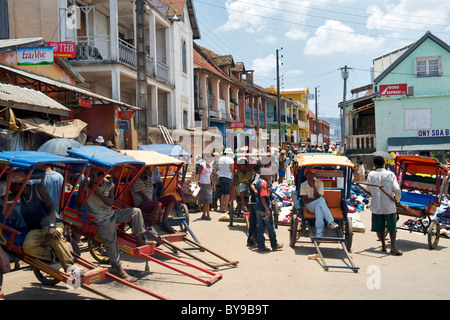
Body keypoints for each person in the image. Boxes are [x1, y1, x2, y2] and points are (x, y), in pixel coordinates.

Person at [78, 168, 153, 282]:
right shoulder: (87, 186)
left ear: (101, 176)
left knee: (136, 212)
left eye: (93, 176)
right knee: (111, 241)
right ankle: (119, 269)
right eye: (90, 176)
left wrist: (97, 191)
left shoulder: (109, 185)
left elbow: (110, 202)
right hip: (99, 218)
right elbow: (79, 203)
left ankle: (139, 239)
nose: (91, 179)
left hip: (111, 213)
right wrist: (82, 189)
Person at [9, 177, 82, 275]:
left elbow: (51, 208)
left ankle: (69, 266)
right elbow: (5, 198)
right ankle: (52, 256)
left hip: (54, 223)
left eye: (11, 186)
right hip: (37, 229)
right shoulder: (19, 194)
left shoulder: (38, 188)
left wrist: (52, 226)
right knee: (28, 247)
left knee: (55, 236)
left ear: (18, 185)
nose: (9, 189)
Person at [366, 156, 402, 256]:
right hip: (389, 206)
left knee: (379, 227)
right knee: (392, 228)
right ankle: (393, 247)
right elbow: (397, 190)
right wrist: (397, 200)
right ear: (384, 164)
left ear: (375, 164)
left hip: (376, 206)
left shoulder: (371, 174)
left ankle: (383, 246)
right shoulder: (390, 174)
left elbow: (368, 189)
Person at [131, 166, 176, 233]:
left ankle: (164, 222)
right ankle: (150, 226)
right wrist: (157, 205)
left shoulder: (149, 179)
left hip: (151, 203)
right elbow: (143, 196)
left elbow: (153, 193)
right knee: (158, 204)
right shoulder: (136, 181)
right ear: (142, 170)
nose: (150, 170)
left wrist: (157, 203)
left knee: (172, 198)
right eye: (148, 169)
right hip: (141, 204)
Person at [299, 168, 339, 237]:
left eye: (311, 174)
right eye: (308, 174)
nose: (309, 176)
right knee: (321, 200)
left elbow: (318, 196)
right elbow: (306, 200)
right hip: (309, 206)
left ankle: (319, 231)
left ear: (314, 175)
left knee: (318, 207)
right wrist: (314, 199)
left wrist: (314, 186)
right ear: (305, 176)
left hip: (317, 204)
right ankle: (330, 221)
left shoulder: (320, 183)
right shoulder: (303, 185)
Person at [254, 167, 283, 252]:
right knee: (271, 227)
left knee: (260, 228)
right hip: (264, 208)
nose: (271, 176)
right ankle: (274, 244)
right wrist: (267, 209)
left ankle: (261, 246)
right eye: (269, 175)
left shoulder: (259, 182)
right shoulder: (264, 183)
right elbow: (263, 197)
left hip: (258, 208)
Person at [246, 162, 262, 247]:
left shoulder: (253, 175)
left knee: (252, 222)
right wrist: (255, 190)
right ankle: (254, 236)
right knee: (261, 222)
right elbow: (252, 185)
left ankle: (249, 241)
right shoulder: (258, 176)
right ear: (259, 169)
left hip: (251, 201)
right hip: (255, 201)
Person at [196, 155, 215, 220]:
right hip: (202, 184)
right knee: (207, 200)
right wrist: (196, 184)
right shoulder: (202, 165)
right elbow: (198, 174)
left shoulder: (210, 166)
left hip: (208, 184)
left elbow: (210, 176)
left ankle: (204, 214)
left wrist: (213, 184)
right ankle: (208, 215)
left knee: (207, 200)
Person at [218, 148, 234, 212]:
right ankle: (225, 208)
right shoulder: (230, 160)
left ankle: (221, 207)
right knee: (227, 193)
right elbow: (232, 169)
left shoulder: (221, 159)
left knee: (222, 193)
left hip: (221, 176)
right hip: (227, 176)